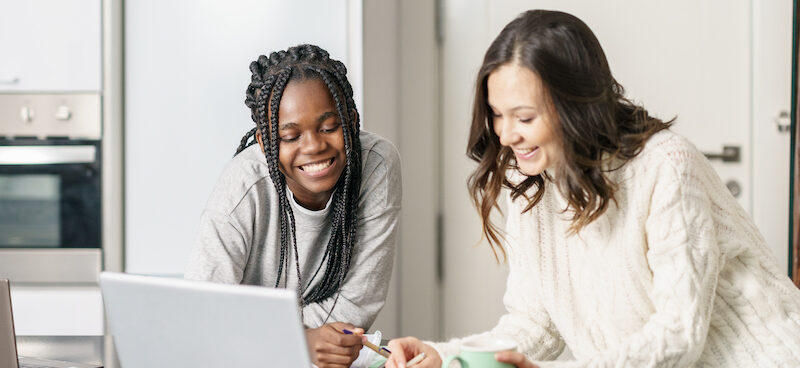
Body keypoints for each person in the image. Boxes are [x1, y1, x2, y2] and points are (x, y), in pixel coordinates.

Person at [386, 10, 800, 368]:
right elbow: (535, 324)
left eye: (525, 117)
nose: (506, 134)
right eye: (496, 114)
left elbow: (679, 336)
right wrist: (445, 356)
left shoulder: (666, 165)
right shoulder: (529, 179)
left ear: (575, 105)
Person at [185, 44, 402, 368]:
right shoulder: (243, 186)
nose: (314, 146)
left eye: (330, 127)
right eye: (290, 136)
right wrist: (296, 340)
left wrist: (300, 340)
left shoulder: (376, 165)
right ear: (265, 141)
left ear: (352, 121)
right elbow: (202, 315)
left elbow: (358, 302)